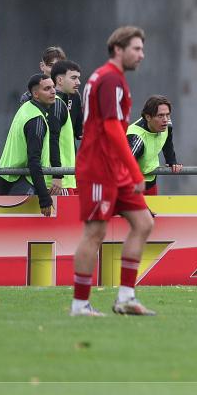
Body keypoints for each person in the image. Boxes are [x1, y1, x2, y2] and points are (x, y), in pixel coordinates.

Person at [71, 26, 157, 317]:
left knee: (144, 222)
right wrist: (135, 172)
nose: (141, 55)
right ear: (118, 49)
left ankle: (126, 298)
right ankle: (80, 304)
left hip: (114, 168)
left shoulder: (113, 78)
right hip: (99, 167)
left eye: (142, 49)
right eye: (136, 49)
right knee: (95, 231)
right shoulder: (110, 79)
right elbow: (110, 129)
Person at [0, 74, 56, 216]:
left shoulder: (26, 108)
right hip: (22, 182)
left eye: (53, 87)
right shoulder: (36, 120)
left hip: (8, 179)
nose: (53, 91)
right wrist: (44, 198)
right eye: (47, 88)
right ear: (35, 94)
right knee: (15, 233)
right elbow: (34, 162)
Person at [126, 95, 182, 195]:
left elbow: (167, 143)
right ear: (148, 117)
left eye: (167, 114)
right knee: (145, 211)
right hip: (132, 187)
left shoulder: (167, 124)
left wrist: (172, 161)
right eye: (160, 115)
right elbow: (124, 168)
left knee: (153, 210)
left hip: (151, 182)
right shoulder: (136, 137)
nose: (165, 119)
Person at [49, 60, 82, 195]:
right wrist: (57, 174)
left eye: (78, 78)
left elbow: (79, 132)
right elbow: (52, 139)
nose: (78, 82)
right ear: (60, 80)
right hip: (59, 178)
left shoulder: (71, 99)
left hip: (69, 175)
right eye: (74, 78)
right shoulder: (55, 103)